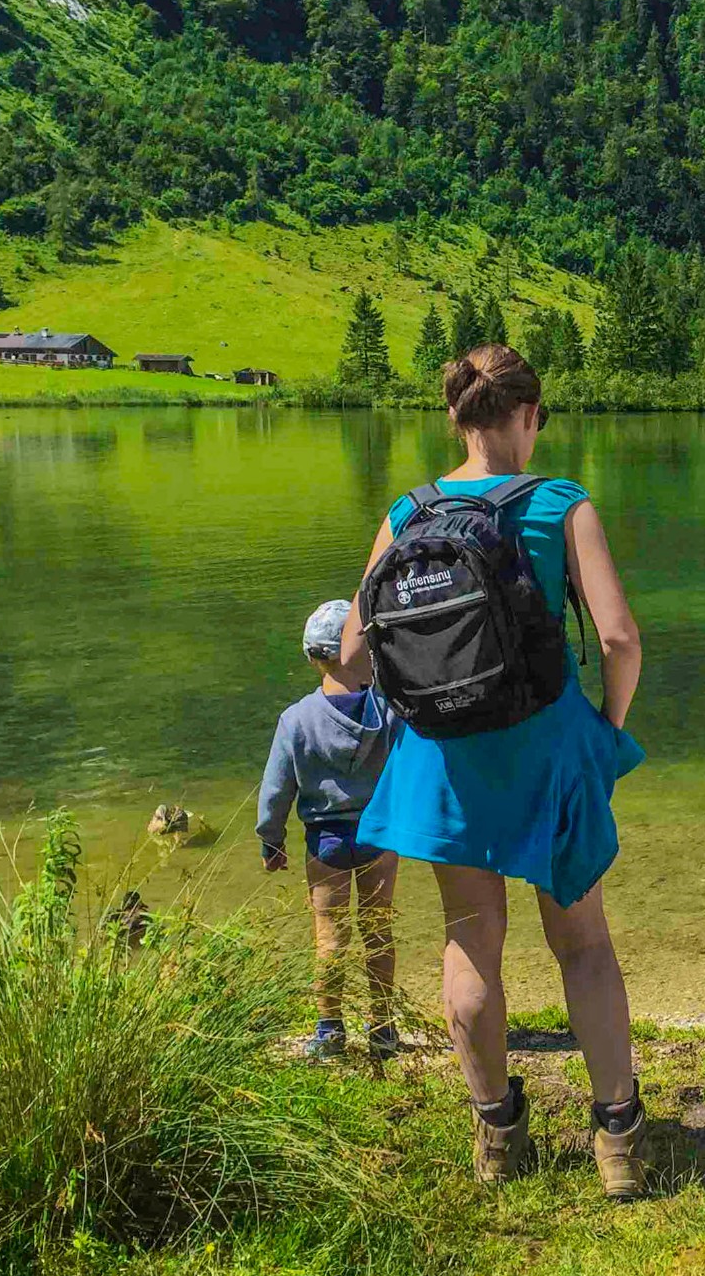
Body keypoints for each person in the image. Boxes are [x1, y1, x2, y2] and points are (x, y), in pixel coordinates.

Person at [339, 344, 650, 1197]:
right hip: (548, 753)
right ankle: (617, 1136)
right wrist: (603, 733)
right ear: (530, 415)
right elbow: (621, 641)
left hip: (444, 763)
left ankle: (499, 1134)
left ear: (454, 418)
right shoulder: (560, 504)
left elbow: (354, 650)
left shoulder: (409, 511)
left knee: (470, 941)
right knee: (582, 944)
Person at [256, 599, 400, 1061]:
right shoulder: (389, 711)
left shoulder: (296, 719)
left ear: (313, 657)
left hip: (326, 841)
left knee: (329, 936)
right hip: (380, 832)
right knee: (378, 929)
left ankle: (329, 1029)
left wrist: (270, 839)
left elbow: (276, 789)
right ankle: (382, 1027)